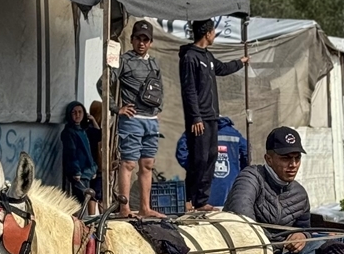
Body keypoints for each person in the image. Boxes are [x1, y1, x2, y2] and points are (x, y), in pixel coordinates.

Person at [224, 127, 316, 254]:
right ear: (268, 159)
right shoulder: (250, 177)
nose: (292, 164)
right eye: (285, 158)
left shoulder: (300, 194)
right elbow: (242, 224)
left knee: (324, 247)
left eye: (297, 158)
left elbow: (306, 229)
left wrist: (302, 236)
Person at [179, 19, 248, 210]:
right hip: (198, 117)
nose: (214, 35)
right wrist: (195, 117)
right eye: (213, 31)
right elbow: (189, 89)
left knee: (210, 156)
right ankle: (189, 199)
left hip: (211, 116)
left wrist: (240, 63)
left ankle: (201, 200)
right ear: (207, 33)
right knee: (198, 158)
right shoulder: (190, 57)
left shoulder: (207, 56)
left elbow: (222, 68)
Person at [111, 20, 165, 218]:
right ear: (132, 40)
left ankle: (145, 207)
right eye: (138, 39)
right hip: (132, 120)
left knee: (148, 164)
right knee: (128, 164)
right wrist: (117, 109)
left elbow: (159, 88)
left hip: (151, 120)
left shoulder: (154, 63)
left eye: (145, 39)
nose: (141, 43)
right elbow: (103, 84)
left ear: (150, 42)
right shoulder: (123, 60)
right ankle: (124, 208)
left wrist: (158, 108)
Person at [176, 116, 249, 208]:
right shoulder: (234, 134)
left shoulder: (197, 129)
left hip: (203, 189)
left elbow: (181, 151)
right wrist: (240, 172)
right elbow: (246, 154)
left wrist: (195, 169)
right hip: (229, 186)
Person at [60, 101, 100, 215]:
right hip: (78, 172)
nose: (77, 115)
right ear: (69, 115)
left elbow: (98, 135)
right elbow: (71, 153)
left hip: (87, 171)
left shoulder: (83, 130)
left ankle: (84, 222)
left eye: (80, 112)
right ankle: (78, 223)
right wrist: (75, 171)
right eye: (74, 112)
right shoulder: (68, 132)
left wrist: (92, 120)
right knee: (79, 200)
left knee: (86, 198)